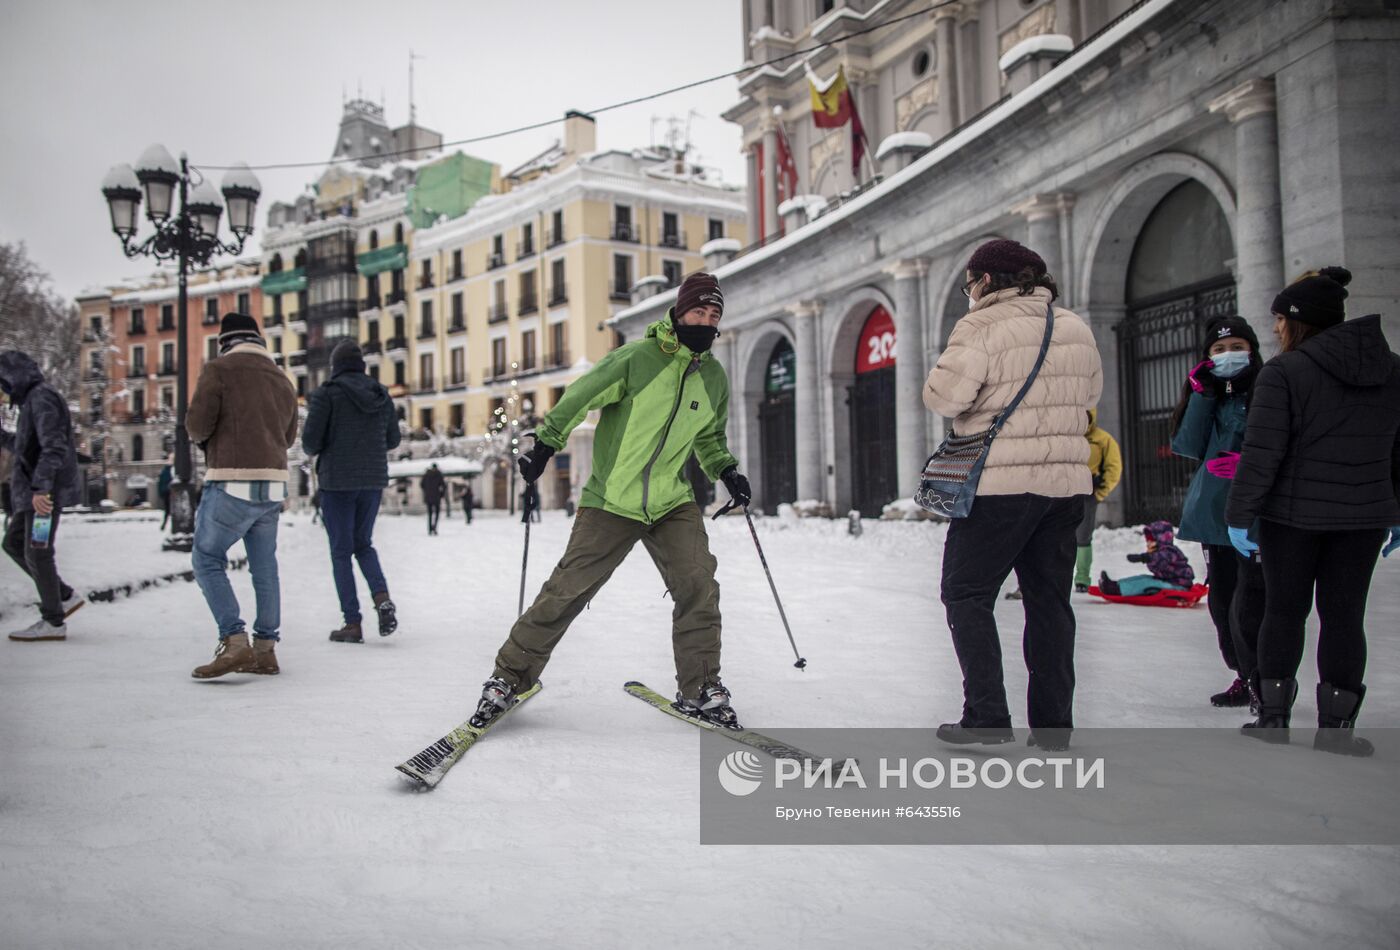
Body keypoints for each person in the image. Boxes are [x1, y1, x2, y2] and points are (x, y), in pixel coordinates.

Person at [468, 272, 751, 730]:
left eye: (714, 314)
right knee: (566, 590)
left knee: (699, 585)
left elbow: (711, 438)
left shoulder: (713, 378)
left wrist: (727, 470)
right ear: (679, 313)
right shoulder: (637, 359)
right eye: (698, 311)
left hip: (670, 502)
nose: (706, 320)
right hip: (610, 501)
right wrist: (546, 440)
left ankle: (701, 688)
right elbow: (583, 393)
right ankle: (508, 678)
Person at [923, 238, 1102, 750]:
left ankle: (987, 715)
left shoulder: (980, 325)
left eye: (969, 284)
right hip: (1064, 488)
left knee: (967, 593)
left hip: (999, 487)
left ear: (986, 281)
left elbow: (944, 396)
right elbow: (1088, 397)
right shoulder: (1074, 326)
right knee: (1049, 603)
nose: (969, 293)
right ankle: (1052, 728)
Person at [1226, 267, 1400, 757]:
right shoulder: (1392, 369)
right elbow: (1398, 449)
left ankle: (1274, 718)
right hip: (1363, 518)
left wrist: (1240, 516)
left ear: (1298, 321)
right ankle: (1336, 730)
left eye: (1279, 318)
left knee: (1284, 611)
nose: (1276, 328)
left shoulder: (1285, 372)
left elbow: (1262, 454)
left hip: (1292, 518)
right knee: (1345, 617)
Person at [184, 313, 299, 679]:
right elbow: (290, 434)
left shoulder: (219, 369)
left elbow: (197, 425)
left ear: (225, 342)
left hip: (232, 480)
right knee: (265, 567)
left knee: (206, 558)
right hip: (273, 484)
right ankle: (266, 650)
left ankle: (234, 641)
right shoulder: (282, 378)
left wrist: (208, 441)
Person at [1169, 315, 1267, 708]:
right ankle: (1242, 674)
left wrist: (1245, 462)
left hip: (1255, 512)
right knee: (1222, 600)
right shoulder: (1206, 393)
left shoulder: (1267, 387)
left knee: (1253, 600)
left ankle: (1264, 678)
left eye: (1237, 347)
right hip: (1212, 512)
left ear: (1252, 350)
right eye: (1219, 350)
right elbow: (1189, 445)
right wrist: (1202, 396)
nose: (1229, 356)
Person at [301, 340, 401, 644]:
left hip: (337, 483)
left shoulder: (326, 395)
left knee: (341, 552)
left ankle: (352, 622)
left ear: (335, 367)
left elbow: (310, 444)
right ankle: (382, 598)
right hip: (372, 481)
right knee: (364, 545)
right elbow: (393, 439)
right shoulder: (381, 395)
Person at [0, 350, 85, 641]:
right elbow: (26, 448)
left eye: (3, 382)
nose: (2, 390)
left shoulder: (42, 398)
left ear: (14, 376)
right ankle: (61, 596)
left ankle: (53, 620)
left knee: (38, 551)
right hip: (31, 497)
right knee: (13, 543)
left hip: (42, 497)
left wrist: (42, 488)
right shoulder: (31, 403)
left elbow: (54, 447)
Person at [1005, 407, 1120, 600]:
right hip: (1055, 491)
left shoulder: (1102, 439)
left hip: (1085, 494)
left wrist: (1100, 492)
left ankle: (1082, 579)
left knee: (1082, 537)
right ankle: (1030, 584)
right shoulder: (1062, 435)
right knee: (1043, 538)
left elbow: (1113, 467)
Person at [1098, 521, 1195, 595]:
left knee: (1146, 582)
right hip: (1169, 581)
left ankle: (1117, 590)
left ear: (1161, 539)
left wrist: (1144, 557)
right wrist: (1147, 556)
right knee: (1143, 577)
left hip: (1179, 587)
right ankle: (1116, 585)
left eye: (1151, 540)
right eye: (1147, 540)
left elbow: (1160, 559)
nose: (1148, 543)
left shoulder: (1169, 551)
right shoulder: (1159, 551)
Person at [421, 463, 445, 535]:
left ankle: (430, 529)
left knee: (430, 514)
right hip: (436, 497)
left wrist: (426, 491)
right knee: (436, 513)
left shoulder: (426, 475)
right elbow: (443, 486)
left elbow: (422, 485)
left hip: (429, 497)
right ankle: (434, 527)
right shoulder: (438, 474)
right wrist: (441, 495)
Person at [157, 457, 173, 531]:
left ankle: (164, 525)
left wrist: (160, 493)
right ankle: (172, 526)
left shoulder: (163, 472)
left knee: (167, 510)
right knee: (172, 510)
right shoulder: (172, 472)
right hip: (171, 493)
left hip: (165, 493)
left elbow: (159, 484)